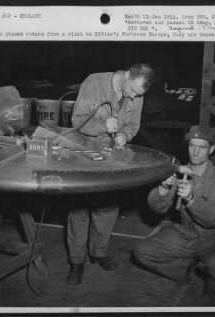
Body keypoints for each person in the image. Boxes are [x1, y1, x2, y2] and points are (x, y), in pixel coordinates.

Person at [66, 63, 155, 285]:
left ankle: (98, 252)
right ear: (126, 76)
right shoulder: (94, 83)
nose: (134, 97)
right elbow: (77, 121)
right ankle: (76, 262)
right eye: (133, 91)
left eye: (139, 94)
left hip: (112, 157)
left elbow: (133, 126)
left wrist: (124, 135)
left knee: (107, 207)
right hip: (84, 154)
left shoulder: (137, 94)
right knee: (79, 209)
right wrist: (103, 125)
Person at [133, 125, 215, 302]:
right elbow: (158, 208)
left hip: (211, 237)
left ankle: (211, 288)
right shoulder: (180, 172)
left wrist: (191, 199)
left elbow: (213, 219)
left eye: (201, 147)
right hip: (182, 233)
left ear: (211, 149)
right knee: (141, 252)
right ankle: (184, 270)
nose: (195, 152)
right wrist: (163, 188)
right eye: (192, 145)